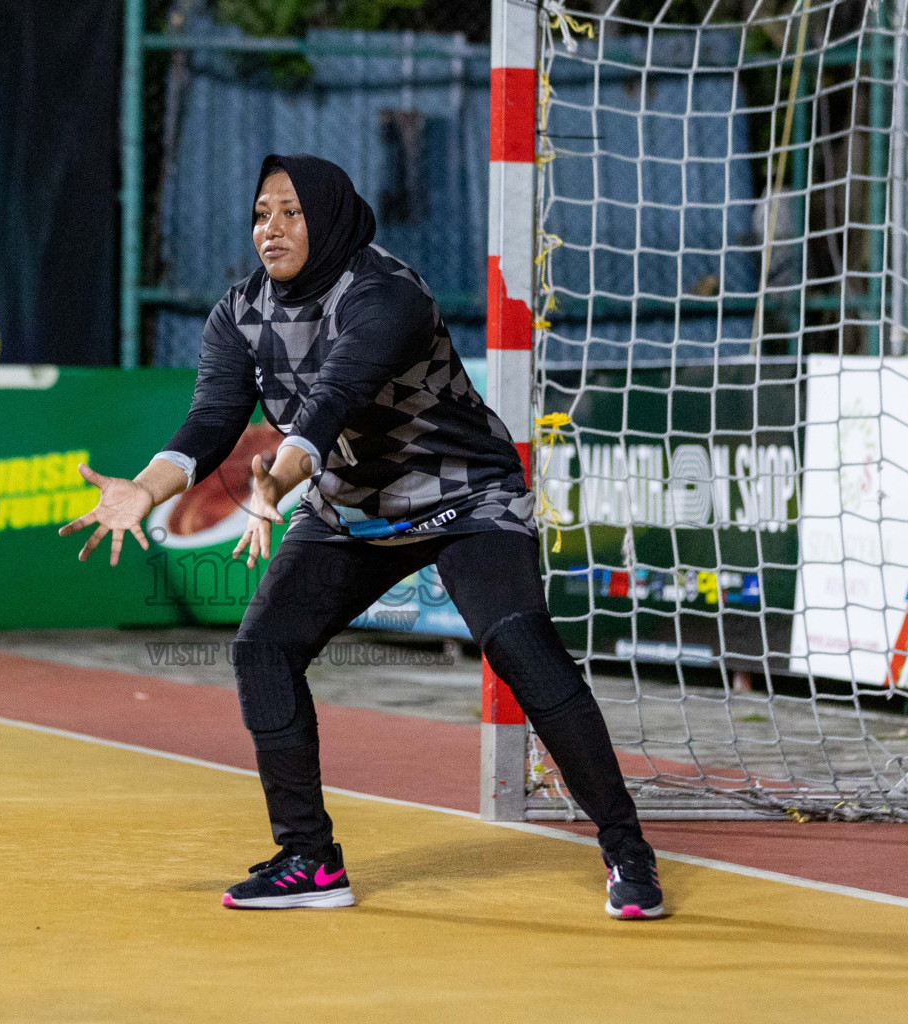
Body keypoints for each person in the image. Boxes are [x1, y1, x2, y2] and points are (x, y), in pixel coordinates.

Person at [61, 154, 665, 920]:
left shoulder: (384, 293)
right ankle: (310, 859)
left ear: (331, 215)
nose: (270, 229)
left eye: (290, 212)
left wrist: (273, 485)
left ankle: (627, 851)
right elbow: (212, 421)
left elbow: (332, 400)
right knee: (263, 648)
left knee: (517, 642)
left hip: (463, 496)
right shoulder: (240, 313)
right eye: (259, 214)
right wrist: (144, 490)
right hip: (349, 508)